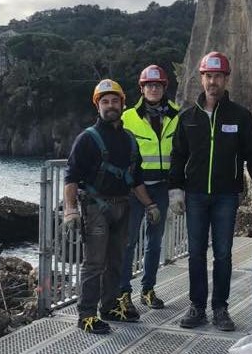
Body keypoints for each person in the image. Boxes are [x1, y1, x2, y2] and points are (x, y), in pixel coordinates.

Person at [168, 51, 252, 331]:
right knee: (196, 253)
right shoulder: (188, 118)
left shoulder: (240, 116)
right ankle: (197, 307)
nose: (213, 82)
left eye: (218, 76)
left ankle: (220, 308)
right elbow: (177, 156)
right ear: (202, 79)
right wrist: (175, 188)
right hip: (195, 195)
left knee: (223, 253)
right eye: (209, 76)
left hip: (226, 196)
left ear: (225, 79)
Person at [63, 79, 161, 335]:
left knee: (116, 261)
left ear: (122, 103)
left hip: (123, 206)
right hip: (95, 208)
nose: (110, 106)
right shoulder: (87, 139)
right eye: (104, 102)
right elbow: (71, 177)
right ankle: (86, 315)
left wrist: (150, 204)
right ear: (98, 106)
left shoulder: (129, 139)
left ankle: (108, 308)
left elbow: (136, 178)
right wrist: (70, 210)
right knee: (94, 263)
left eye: (114, 101)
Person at [119, 65, 180, 315]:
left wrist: (179, 188)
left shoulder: (177, 114)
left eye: (158, 85)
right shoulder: (128, 117)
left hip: (163, 189)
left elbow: (182, 152)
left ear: (164, 88)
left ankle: (148, 289)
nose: (153, 89)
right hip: (134, 191)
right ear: (142, 89)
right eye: (149, 85)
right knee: (128, 242)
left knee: (154, 243)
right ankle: (123, 293)